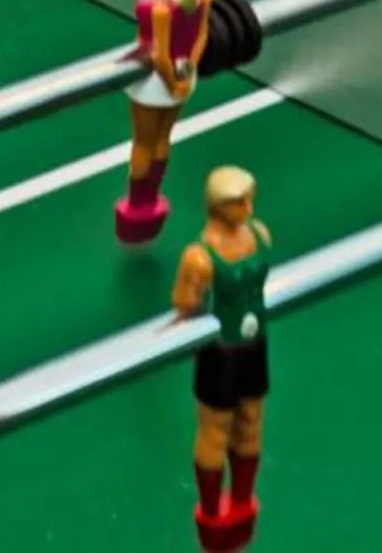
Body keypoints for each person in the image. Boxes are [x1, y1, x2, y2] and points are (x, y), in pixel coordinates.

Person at [172, 164, 271, 551]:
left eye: (249, 198)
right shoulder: (199, 257)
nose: (247, 206)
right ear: (217, 207)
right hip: (219, 352)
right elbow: (183, 301)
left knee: (250, 421)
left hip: (255, 344)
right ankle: (212, 514)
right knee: (215, 431)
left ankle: (244, 502)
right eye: (237, 202)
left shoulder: (260, 235)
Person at [116, 0, 211, 243]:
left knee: (143, 142)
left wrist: (171, 83)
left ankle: (137, 204)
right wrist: (187, 75)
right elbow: (200, 39)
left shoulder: (162, 9)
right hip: (184, 74)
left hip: (158, 83)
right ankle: (153, 197)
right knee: (162, 139)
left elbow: (159, 54)